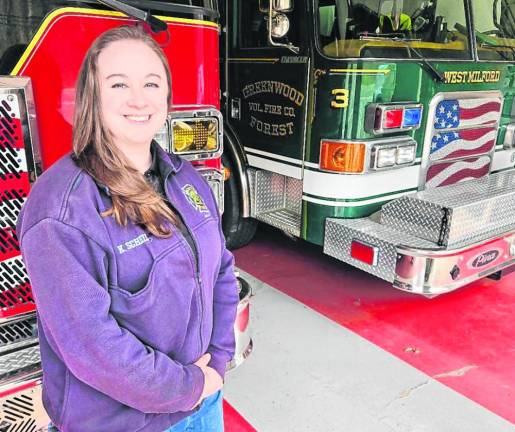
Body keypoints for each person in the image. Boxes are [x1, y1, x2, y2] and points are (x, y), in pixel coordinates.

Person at [16, 25, 238, 432]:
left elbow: (220, 269)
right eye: (119, 84)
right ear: (91, 97)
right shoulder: (61, 211)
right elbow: (93, 347)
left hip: (202, 403)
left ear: (168, 98)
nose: (139, 99)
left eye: (151, 83)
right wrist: (189, 385)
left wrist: (218, 365)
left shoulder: (185, 178)